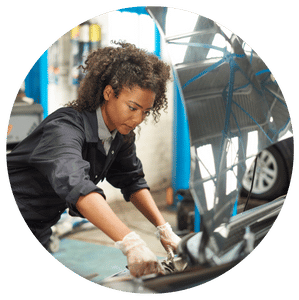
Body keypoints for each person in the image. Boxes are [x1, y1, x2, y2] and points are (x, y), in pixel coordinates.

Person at [6, 42, 181, 278]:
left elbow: (132, 180)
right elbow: (77, 185)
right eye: (132, 107)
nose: (138, 119)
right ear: (109, 93)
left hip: (39, 225)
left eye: (146, 111)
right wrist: (129, 242)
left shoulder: (120, 134)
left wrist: (164, 229)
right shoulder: (64, 128)